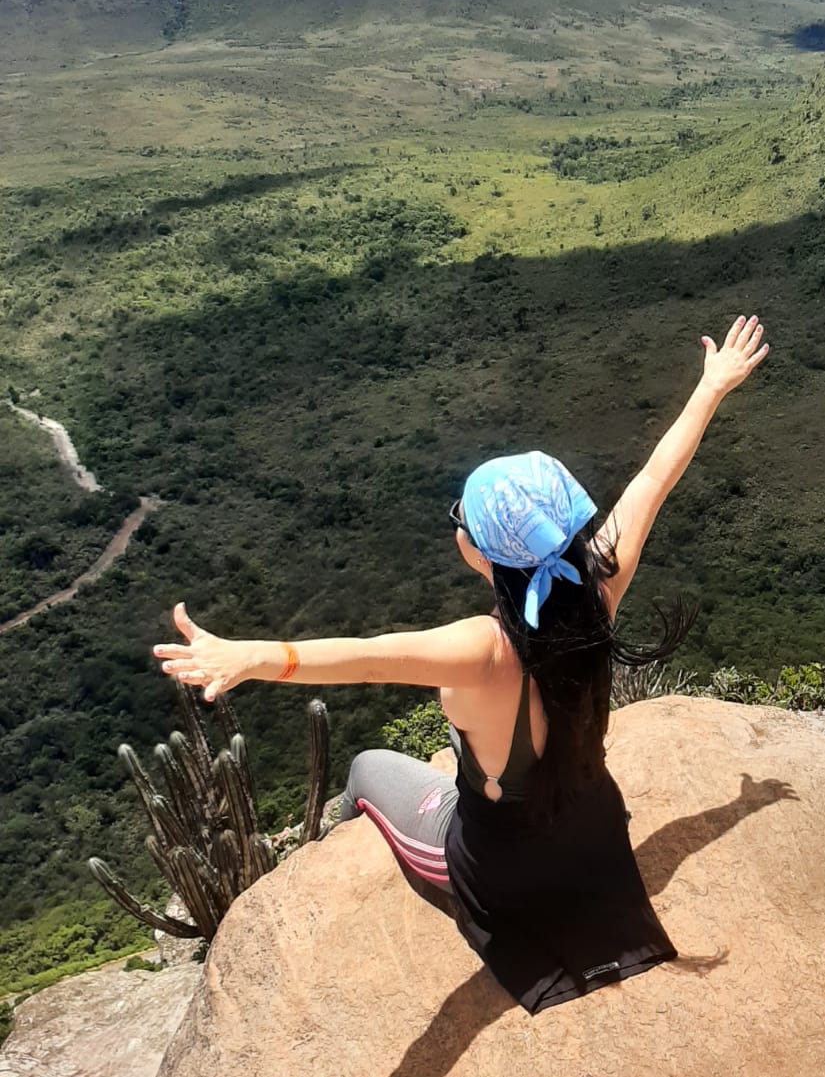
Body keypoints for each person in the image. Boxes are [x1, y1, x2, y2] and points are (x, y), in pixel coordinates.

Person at [153, 313, 769, 1013]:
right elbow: (658, 474)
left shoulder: (481, 649)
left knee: (361, 770)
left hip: (506, 874)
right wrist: (712, 386)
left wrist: (249, 656)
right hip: (594, 842)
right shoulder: (600, 581)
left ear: (481, 553)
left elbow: (358, 660)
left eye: (463, 522)